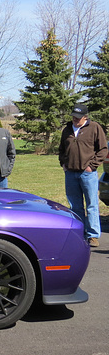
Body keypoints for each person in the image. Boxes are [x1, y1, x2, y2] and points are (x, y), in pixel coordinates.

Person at [58, 103, 108, 247]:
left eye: (78, 117)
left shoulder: (94, 128)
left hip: (88, 174)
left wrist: (91, 166)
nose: (75, 119)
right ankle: (79, 232)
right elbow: (61, 149)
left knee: (92, 204)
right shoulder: (67, 129)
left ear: (85, 117)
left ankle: (93, 235)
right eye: (74, 116)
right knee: (75, 205)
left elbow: (103, 149)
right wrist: (63, 163)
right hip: (70, 174)